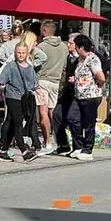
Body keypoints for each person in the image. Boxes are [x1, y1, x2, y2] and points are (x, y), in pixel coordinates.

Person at [0, 43, 41, 162]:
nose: (21, 55)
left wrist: (40, 93)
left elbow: (34, 84)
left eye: (23, 53)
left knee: (12, 123)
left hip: (24, 99)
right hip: (12, 97)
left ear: (27, 54)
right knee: (18, 123)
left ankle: (3, 151)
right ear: (15, 53)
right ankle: (24, 152)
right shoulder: (10, 66)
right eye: (18, 52)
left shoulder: (30, 68)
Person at [66, 33, 106, 161]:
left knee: (88, 122)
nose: (75, 49)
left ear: (81, 48)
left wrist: (97, 85)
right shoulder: (80, 60)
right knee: (72, 118)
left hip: (91, 96)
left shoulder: (92, 59)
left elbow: (101, 77)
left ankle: (88, 149)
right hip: (79, 95)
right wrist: (76, 79)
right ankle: (78, 146)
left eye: (77, 47)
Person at [32, 21, 67, 154]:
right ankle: (60, 140)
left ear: (45, 31)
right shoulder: (63, 47)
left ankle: (47, 142)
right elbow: (65, 66)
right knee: (53, 112)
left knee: (43, 112)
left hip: (42, 80)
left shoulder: (41, 46)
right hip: (56, 81)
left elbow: (35, 63)